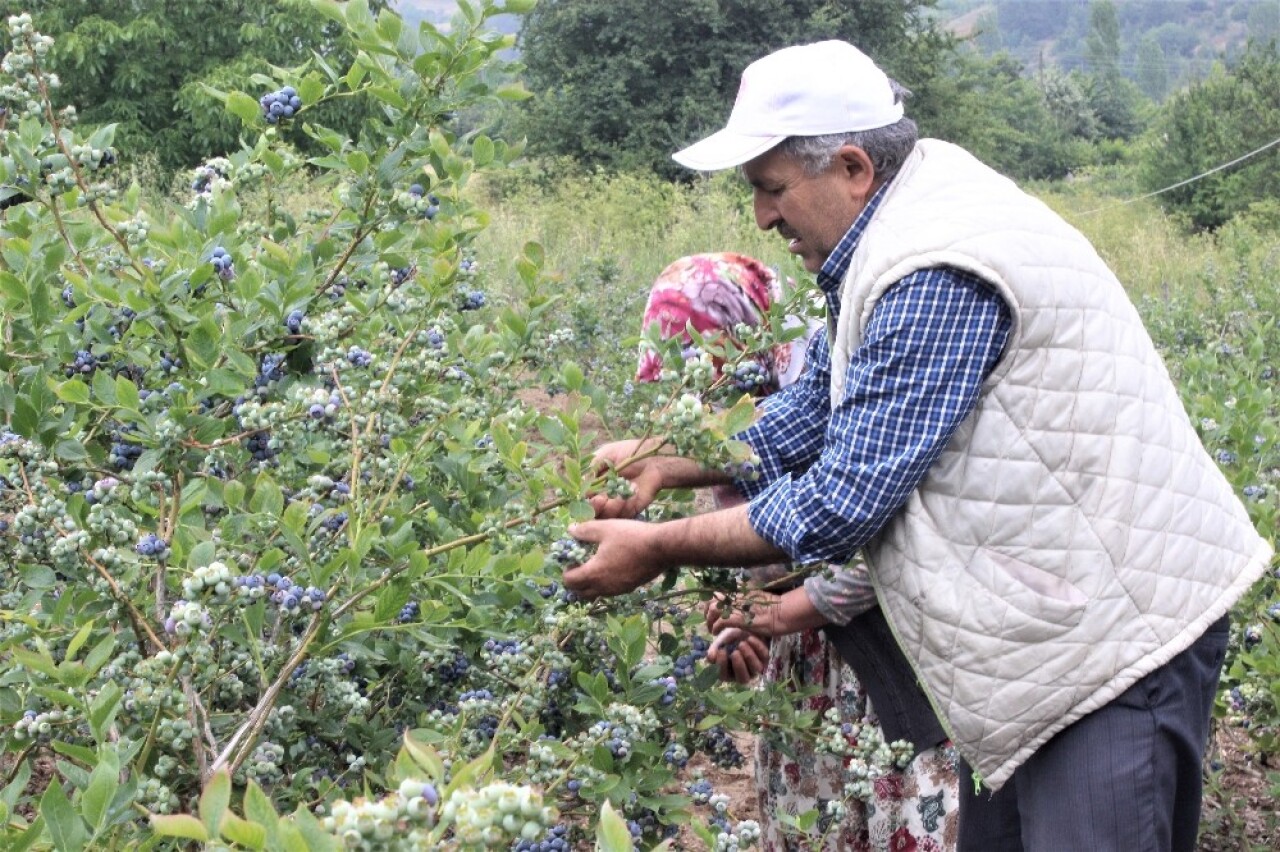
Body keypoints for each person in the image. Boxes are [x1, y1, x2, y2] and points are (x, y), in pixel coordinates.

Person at [563, 40, 1272, 852]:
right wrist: (671, 460)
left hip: (1113, 646)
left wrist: (659, 548)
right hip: (1037, 652)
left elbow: (841, 500)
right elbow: (820, 410)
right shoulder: (893, 230)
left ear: (854, 167)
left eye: (770, 189)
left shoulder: (933, 265)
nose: (761, 218)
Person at [634, 252, 960, 850]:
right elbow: (760, 553)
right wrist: (748, 623)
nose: (706, 407)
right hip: (812, 681)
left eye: (711, 377)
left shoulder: (844, 378)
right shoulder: (746, 422)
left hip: (898, 663)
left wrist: (782, 611)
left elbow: (889, 540)